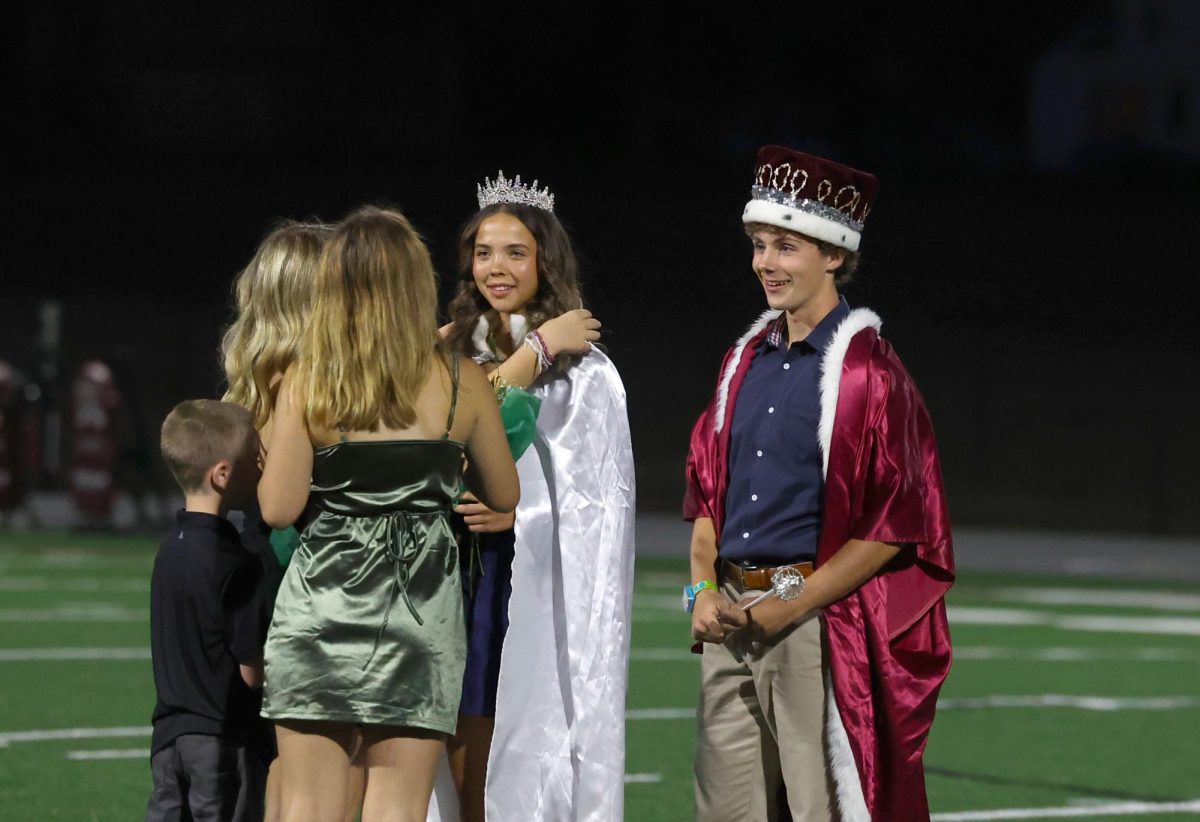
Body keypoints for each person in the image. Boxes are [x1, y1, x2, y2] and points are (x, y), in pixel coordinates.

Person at [684, 145, 955, 821]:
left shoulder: (871, 375)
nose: (766, 263)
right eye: (758, 244)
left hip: (811, 623)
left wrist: (790, 603)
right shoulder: (740, 362)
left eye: (786, 246)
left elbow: (894, 527)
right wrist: (699, 590)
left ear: (834, 254)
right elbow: (706, 494)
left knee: (820, 810)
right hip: (728, 619)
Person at [257, 205, 519, 822]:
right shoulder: (461, 381)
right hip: (420, 612)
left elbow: (278, 507)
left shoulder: (307, 379)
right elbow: (504, 494)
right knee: (398, 810)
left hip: (320, 605)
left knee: (307, 809)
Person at [432, 172, 636, 822]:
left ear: (546, 260)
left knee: (510, 748)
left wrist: (521, 514)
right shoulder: (445, 347)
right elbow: (442, 441)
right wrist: (536, 349)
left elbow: (600, 509)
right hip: (446, 574)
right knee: (447, 755)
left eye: (515, 252)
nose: (497, 267)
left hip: (528, 589)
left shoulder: (588, 371)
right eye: (484, 251)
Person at [220, 218, 373, 822]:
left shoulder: (255, 383)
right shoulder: (308, 386)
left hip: (256, 591)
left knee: (280, 767)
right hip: (307, 591)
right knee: (338, 773)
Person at [146, 399, 274, 822]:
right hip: (222, 740)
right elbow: (250, 673)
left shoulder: (168, 552)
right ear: (222, 474)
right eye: (256, 458)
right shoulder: (236, 561)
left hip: (167, 741)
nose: (263, 467)